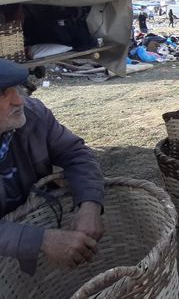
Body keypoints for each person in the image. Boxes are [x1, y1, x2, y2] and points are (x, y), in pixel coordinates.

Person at [0, 59, 105, 275]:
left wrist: (90, 204)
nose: (18, 100)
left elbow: (76, 154)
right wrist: (40, 240)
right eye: (2, 93)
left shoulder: (33, 114)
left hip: (40, 221)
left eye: (15, 88)